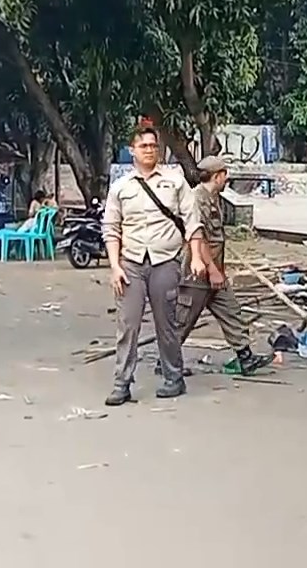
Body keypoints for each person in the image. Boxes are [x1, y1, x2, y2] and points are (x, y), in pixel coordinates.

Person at [102, 126, 205, 406]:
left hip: (165, 261)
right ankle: (121, 383)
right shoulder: (121, 187)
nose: (149, 150)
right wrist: (115, 266)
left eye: (152, 145)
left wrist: (195, 256)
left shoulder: (175, 181)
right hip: (131, 263)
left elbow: (192, 222)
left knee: (166, 323)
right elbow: (112, 229)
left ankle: (174, 378)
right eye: (143, 146)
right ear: (132, 150)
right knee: (128, 325)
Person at [174, 156, 273, 376]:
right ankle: (167, 362)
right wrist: (212, 270)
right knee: (184, 319)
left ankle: (245, 357)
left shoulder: (213, 198)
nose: (226, 180)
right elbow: (200, 239)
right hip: (198, 272)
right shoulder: (197, 200)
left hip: (216, 272)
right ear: (218, 176)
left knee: (231, 311)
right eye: (225, 175)